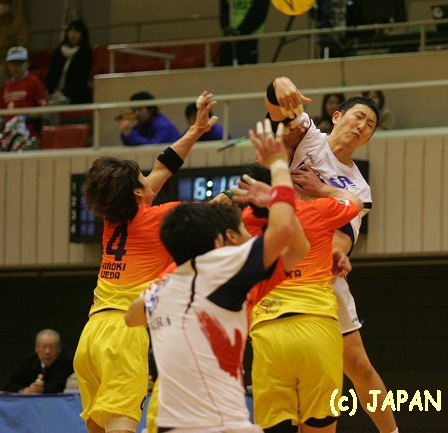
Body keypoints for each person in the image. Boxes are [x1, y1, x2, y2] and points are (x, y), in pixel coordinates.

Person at [124, 119, 310, 433]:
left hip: (169, 424)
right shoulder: (220, 266)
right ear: (219, 241)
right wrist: (279, 167)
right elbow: (285, 237)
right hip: (217, 425)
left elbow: (131, 317)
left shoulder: (162, 289)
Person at [73, 92, 218, 433]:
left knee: (98, 426)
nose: (148, 176)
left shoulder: (113, 217)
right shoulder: (161, 217)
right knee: (121, 425)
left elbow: (164, 166)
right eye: (142, 176)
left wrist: (195, 131)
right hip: (124, 336)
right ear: (139, 193)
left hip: (91, 335)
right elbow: (216, 208)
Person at [265, 77, 399, 433]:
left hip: (318, 275)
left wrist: (322, 190)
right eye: (358, 117)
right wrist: (279, 85)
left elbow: (343, 239)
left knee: (359, 367)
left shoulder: (359, 187)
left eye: (370, 125)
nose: (362, 126)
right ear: (337, 116)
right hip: (275, 264)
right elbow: (278, 108)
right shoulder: (308, 135)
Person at [228, 163, 360, 432]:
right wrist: (321, 188)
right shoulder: (316, 210)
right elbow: (354, 201)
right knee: (320, 425)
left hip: (268, 330)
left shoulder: (241, 226)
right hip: (317, 326)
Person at [0, 46, 47, 141]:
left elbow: (44, 111)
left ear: (27, 64)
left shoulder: (34, 82)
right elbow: (1, 114)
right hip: (8, 134)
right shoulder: (5, 86)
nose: (16, 67)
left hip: (28, 134)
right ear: (8, 65)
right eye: (13, 63)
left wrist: (26, 115)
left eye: (20, 63)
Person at [4, 329, 74, 394]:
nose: (47, 351)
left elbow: (59, 386)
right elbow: (10, 385)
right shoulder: (29, 361)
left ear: (59, 348)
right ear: (36, 348)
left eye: (52, 347)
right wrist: (24, 390)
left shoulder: (68, 362)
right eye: (43, 347)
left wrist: (42, 390)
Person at [44, 19, 93, 105]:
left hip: (76, 96)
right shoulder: (59, 51)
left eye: (77, 31)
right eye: (71, 31)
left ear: (82, 34)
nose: (73, 34)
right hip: (56, 94)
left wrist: (63, 92)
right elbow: (51, 73)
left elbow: (81, 79)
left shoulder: (86, 52)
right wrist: (48, 90)